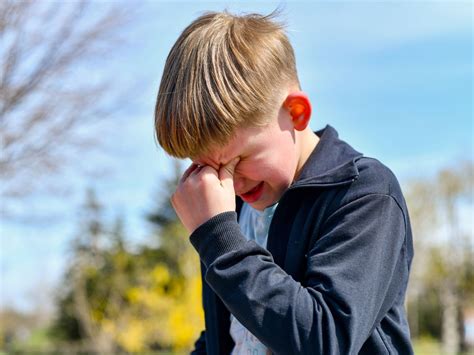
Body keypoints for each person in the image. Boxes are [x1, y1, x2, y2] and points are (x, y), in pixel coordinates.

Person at [154, 10, 414, 355]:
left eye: (238, 161)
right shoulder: (233, 210)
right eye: (208, 169)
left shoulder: (363, 194)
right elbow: (231, 337)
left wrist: (220, 241)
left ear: (295, 113)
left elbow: (324, 339)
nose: (229, 184)